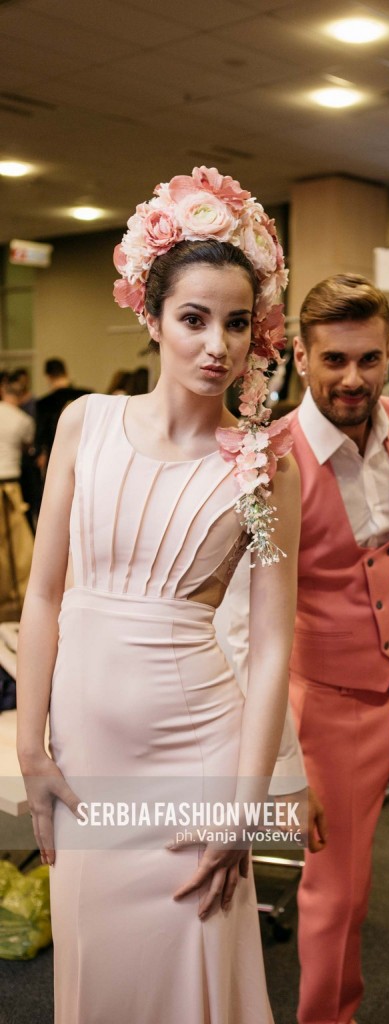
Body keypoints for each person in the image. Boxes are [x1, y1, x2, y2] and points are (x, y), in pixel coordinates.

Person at [16, 166, 300, 1023]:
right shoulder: (85, 423)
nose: (218, 345)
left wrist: (243, 807)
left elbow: (274, 645)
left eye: (238, 323)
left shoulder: (265, 468)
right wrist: (31, 748)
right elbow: (43, 596)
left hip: (197, 755)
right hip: (85, 753)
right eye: (194, 319)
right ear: (151, 316)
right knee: (99, 965)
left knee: (191, 972)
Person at [286, 273, 389, 1024]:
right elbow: (248, 620)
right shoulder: (272, 457)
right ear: (300, 357)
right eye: (334, 359)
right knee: (337, 897)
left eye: (369, 359)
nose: (352, 378)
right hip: (331, 705)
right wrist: (280, 754)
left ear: (388, 353)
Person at [0, 373, 35, 617]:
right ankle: (15, 602)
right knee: (17, 550)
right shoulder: (23, 420)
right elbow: (26, 447)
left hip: (10, 487)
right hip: (11, 485)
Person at [35, 357, 90, 469]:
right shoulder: (87, 396)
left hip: (56, 455)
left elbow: (41, 435)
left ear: (48, 377)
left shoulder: (44, 403)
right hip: (83, 453)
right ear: (66, 372)